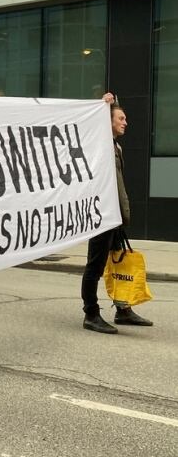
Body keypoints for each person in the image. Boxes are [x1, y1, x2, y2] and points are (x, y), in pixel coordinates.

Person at [81, 98, 153, 334]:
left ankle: (123, 310)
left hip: (116, 217)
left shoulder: (116, 147)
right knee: (95, 267)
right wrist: (102, 104)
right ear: (107, 122)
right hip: (102, 216)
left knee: (118, 263)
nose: (126, 122)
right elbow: (88, 128)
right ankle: (91, 314)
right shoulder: (99, 145)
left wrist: (122, 214)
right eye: (120, 118)